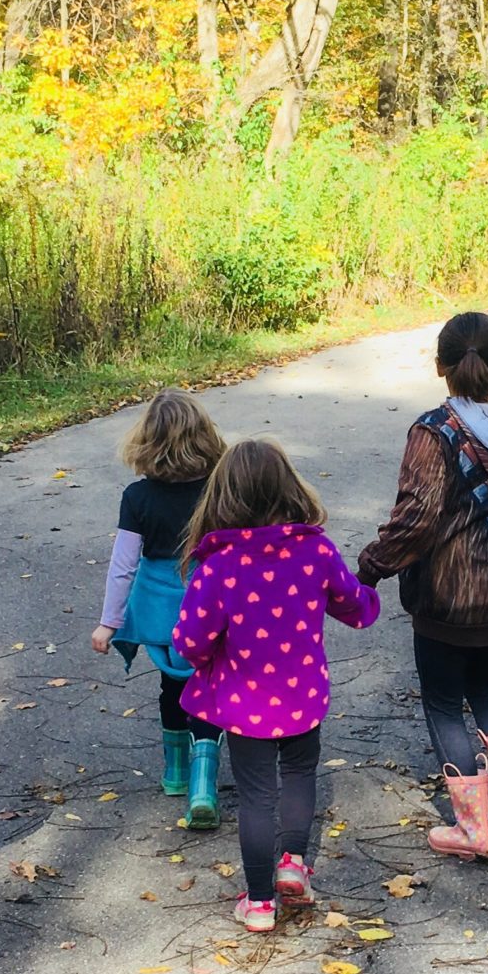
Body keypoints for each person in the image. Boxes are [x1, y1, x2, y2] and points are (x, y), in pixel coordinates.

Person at [356, 311, 488, 861]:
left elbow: (416, 519)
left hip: (447, 600)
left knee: (444, 702)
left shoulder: (432, 432)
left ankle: (473, 828)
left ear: (441, 367)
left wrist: (370, 568)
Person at [171, 439, 380, 933]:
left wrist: (206, 658)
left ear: (221, 496)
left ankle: (260, 902)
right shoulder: (315, 548)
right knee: (301, 772)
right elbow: (352, 603)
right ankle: (294, 863)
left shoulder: (218, 564)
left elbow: (190, 641)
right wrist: (370, 597)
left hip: (246, 704)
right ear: (289, 486)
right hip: (303, 694)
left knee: (256, 796)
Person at [90, 390, 229, 828]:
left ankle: (174, 773)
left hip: (160, 610)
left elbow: (123, 566)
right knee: (208, 688)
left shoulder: (137, 497)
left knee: (172, 686)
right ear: (205, 437)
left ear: (146, 441)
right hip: (211, 603)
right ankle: (203, 783)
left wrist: (109, 621)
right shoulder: (219, 488)